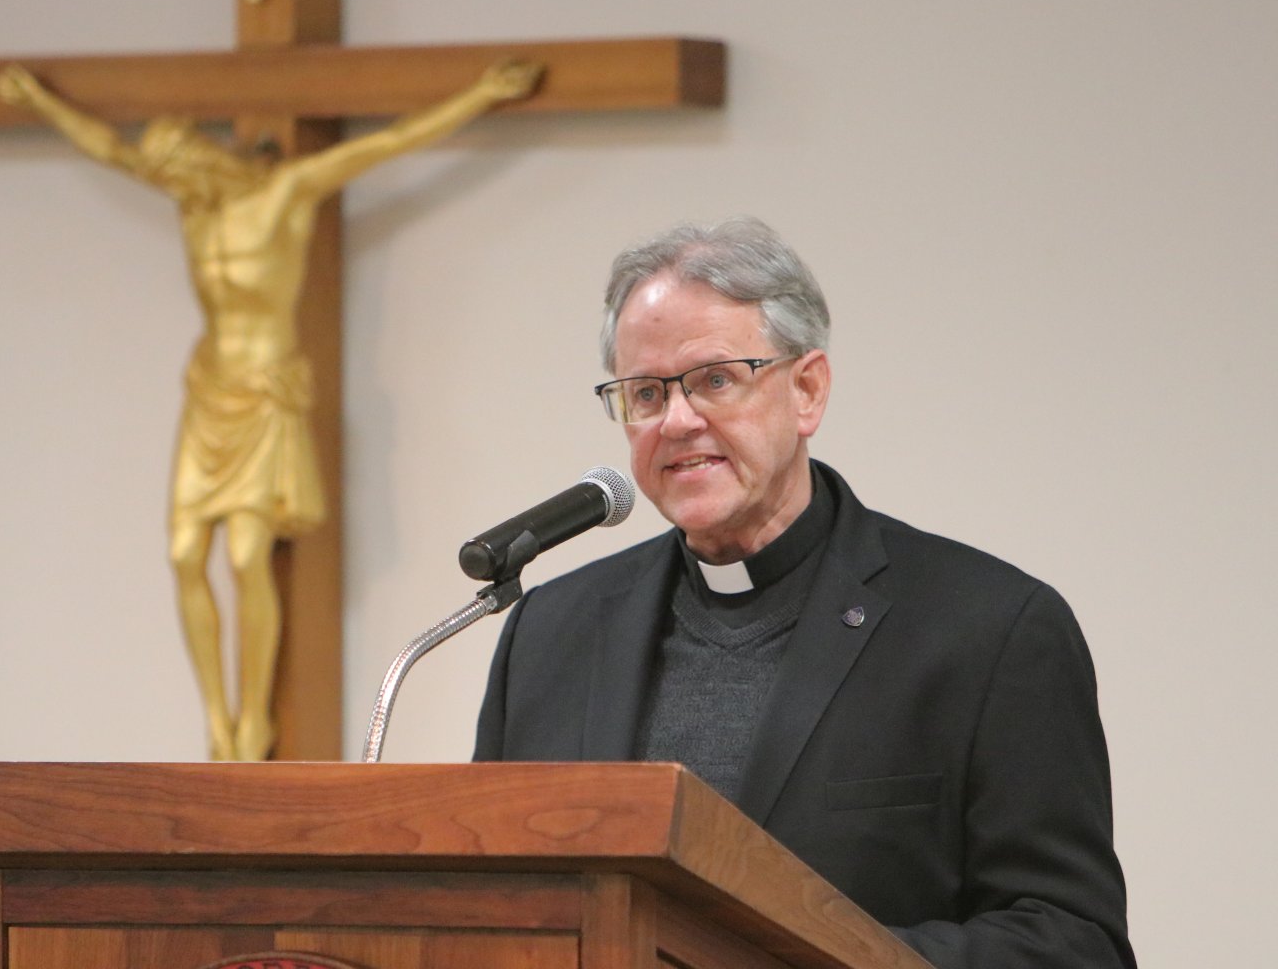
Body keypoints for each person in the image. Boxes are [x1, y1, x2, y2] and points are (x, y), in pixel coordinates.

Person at [474, 217, 1134, 968]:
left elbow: (1072, 942)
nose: (679, 421)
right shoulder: (551, 633)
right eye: (647, 393)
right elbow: (493, 910)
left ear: (808, 390)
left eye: (715, 380)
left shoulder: (989, 629)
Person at [0, 60, 542, 761]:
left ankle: (252, 720)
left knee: (250, 554)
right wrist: (39, 99)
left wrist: (480, 93)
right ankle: (216, 723)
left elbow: (384, 146)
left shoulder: (284, 193)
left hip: (263, 394)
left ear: (206, 160)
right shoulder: (196, 205)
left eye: (184, 176)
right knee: (183, 552)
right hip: (209, 390)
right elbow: (107, 147)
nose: (177, 191)